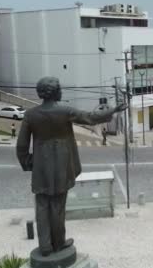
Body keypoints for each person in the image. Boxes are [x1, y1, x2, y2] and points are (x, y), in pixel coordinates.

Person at [16, 76, 126, 256]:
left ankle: (44, 245)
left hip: (41, 165)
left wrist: (28, 162)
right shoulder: (65, 111)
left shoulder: (30, 115)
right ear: (55, 92)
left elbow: (21, 145)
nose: (62, 92)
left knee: (42, 204)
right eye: (60, 89)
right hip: (61, 164)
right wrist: (113, 110)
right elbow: (90, 118)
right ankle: (58, 243)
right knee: (58, 205)